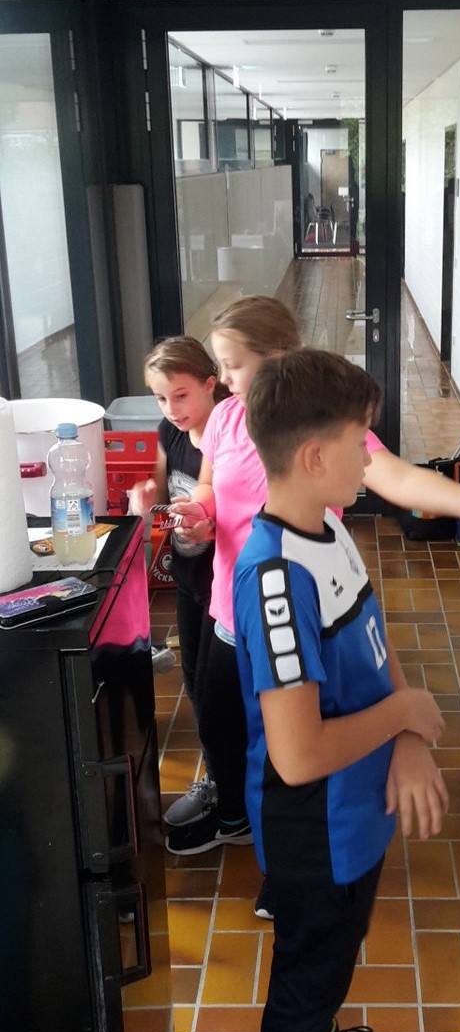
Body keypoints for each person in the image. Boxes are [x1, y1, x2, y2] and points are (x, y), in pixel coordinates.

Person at [165, 296, 460, 859]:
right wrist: (199, 512)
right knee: (222, 724)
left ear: (278, 360)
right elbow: (211, 488)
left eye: (233, 365)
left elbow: (396, 477)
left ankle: (284, 839)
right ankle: (234, 811)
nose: (225, 380)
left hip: (296, 611)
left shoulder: (323, 431)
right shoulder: (227, 419)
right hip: (231, 612)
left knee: (295, 738)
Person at [235, 347, 450, 1032]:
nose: (370, 457)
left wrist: (408, 738)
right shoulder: (275, 578)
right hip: (314, 832)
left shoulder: (330, 529)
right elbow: (296, 757)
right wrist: (404, 715)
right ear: (315, 456)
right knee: (309, 974)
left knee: (331, 956)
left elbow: (375, 645)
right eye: (362, 442)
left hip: (355, 814)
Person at [128, 336, 227, 825]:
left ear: (211, 384)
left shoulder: (229, 432)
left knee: (216, 689)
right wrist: (148, 502)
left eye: (181, 395)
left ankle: (225, 784)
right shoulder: (170, 432)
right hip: (189, 578)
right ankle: (217, 775)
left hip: (225, 587)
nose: (171, 409)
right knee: (194, 681)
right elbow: (163, 494)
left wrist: (210, 525)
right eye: (161, 398)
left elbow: (242, 508)